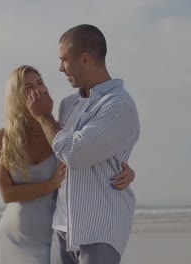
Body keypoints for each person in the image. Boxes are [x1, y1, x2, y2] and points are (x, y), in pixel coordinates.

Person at [0, 65, 135, 264]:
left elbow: (88, 151)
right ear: (17, 97)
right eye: (28, 87)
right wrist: (50, 184)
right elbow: (7, 194)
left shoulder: (60, 131)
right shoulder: (7, 139)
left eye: (40, 82)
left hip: (54, 234)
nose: (38, 90)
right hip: (15, 237)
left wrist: (128, 172)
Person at [25, 24, 140, 264]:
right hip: (62, 226)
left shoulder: (118, 104)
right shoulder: (69, 104)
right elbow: (53, 145)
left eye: (64, 60)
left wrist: (45, 117)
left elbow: (75, 152)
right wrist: (3, 147)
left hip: (99, 228)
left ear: (85, 59)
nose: (60, 68)